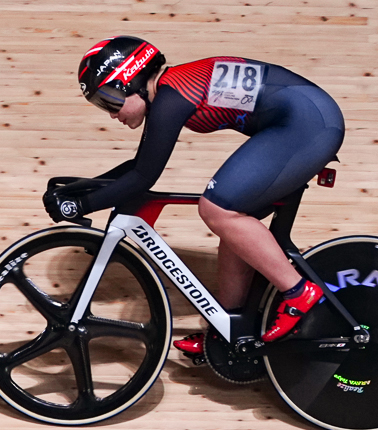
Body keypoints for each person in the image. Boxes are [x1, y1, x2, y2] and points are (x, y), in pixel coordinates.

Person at [45, 37, 345, 353]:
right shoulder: (172, 88)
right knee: (232, 227)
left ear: (130, 80)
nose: (111, 113)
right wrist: (81, 190)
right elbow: (138, 166)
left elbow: (143, 176)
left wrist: (82, 203)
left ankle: (297, 291)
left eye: (109, 99)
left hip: (306, 124)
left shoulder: (171, 95)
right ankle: (228, 329)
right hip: (302, 120)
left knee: (216, 209)